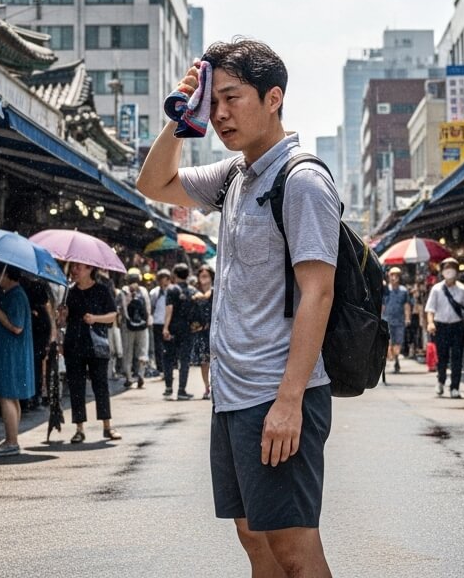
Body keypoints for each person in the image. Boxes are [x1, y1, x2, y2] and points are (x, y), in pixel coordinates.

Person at [137, 38, 339, 578]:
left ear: (273, 98)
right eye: (213, 101)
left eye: (232, 98)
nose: (221, 114)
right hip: (233, 395)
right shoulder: (235, 175)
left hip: (276, 393)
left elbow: (318, 292)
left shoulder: (301, 180)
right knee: (255, 539)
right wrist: (184, 116)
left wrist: (289, 401)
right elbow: (153, 182)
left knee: (293, 547)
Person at [62, 261, 122, 443]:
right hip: (73, 345)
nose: (74, 270)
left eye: (78, 267)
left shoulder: (102, 290)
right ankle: (79, 429)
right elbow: (63, 321)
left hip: (97, 345)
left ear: (90, 269)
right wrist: (62, 314)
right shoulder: (69, 292)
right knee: (76, 387)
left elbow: (113, 315)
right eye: (72, 267)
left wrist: (95, 318)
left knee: (101, 386)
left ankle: (107, 426)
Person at [0, 262, 35, 456]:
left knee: (6, 397)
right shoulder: (8, 294)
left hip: (10, 355)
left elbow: (16, 327)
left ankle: (11, 442)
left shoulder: (16, 296)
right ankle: (12, 438)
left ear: (6, 275)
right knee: (10, 397)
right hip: (8, 353)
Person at [425, 257, 464, 398]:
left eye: (452, 268)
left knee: (457, 358)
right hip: (441, 327)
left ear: (457, 272)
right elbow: (430, 309)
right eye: (447, 268)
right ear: (442, 271)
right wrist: (430, 323)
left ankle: (455, 387)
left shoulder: (463, 289)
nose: (449, 271)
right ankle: (441, 380)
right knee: (442, 356)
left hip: (457, 326)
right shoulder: (436, 289)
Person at [160, 263, 196, 401]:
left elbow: (169, 309)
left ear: (174, 275)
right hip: (187, 329)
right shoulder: (192, 290)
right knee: (184, 360)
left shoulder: (171, 289)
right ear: (187, 275)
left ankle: (169, 388)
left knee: (169, 358)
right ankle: (182, 390)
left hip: (173, 328)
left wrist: (165, 327)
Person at [26, 278, 56, 409]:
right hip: (40, 338)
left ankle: (33, 396)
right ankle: (36, 396)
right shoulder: (42, 311)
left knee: (34, 365)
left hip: (35, 337)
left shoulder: (34, 311)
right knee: (37, 365)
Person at [118, 269, 151, 390]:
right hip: (142, 326)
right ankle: (141, 374)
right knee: (142, 350)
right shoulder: (144, 291)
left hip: (128, 326)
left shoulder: (124, 291)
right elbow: (148, 308)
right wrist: (147, 322)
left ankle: (128, 377)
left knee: (128, 351)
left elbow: (123, 308)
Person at [189, 265, 215, 399]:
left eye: (206, 275)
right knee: (204, 361)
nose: (203, 278)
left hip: (215, 331)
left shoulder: (216, 292)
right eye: (201, 276)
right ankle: (207, 387)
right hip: (201, 332)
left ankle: (215, 387)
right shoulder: (194, 293)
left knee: (215, 361)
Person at [382, 267, 411, 374]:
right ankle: (392, 358)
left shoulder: (403, 290)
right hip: (387, 319)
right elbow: (382, 304)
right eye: (392, 275)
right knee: (389, 342)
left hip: (399, 320)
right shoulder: (385, 290)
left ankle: (396, 359)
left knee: (398, 342)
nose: (394, 277)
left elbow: (406, 305)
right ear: (389, 276)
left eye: (396, 275)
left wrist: (407, 318)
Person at [148, 269, 172, 377]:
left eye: (166, 278)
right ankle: (161, 368)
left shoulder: (172, 291)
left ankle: (169, 367)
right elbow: (151, 307)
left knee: (169, 346)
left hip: (169, 322)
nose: (164, 281)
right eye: (162, 278)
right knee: (158, 346)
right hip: (157, 322)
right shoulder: (154, 292)